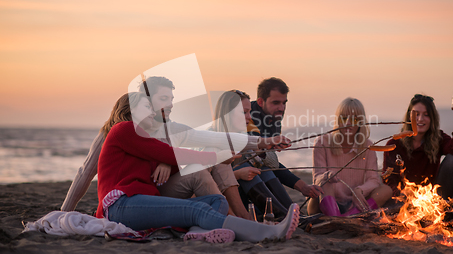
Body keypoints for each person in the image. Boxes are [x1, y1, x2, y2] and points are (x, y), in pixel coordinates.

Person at [62, 76, 287, 220]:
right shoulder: (116, 131)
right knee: (209, 160)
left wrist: (265, 142)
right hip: (137, 198)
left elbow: (216, 138)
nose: (170, 104)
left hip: (162, 190)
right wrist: (63, 213)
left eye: (171, 98)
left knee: (208, 156)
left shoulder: (171, 129)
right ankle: (238, 221)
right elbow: (86, 173)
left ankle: (239, 220)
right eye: (164, 98)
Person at [98, 92, 300, 243]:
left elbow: (175, 159)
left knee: (215, 201)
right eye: (147, 107)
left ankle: (199, 233)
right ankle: (266, 233)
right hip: (120, 204)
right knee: (197, 209)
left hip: (140, 201)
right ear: (131, 110)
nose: (153, 111)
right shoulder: (123, 129)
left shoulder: (145, 137)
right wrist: (216, 157)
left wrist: (167, 162)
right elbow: (174, 154)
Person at [211, 90, 295, 218]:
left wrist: (262, 150)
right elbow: (206, 184)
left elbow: (272, 164)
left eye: (249, 112)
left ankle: (292, 214)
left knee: (264, 170)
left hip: (247, 201)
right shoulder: (212, 139)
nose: (249, 117)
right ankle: (286, 216)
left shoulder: (244, 135)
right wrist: (238, 174)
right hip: (225, 204)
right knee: (244, 170)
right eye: (244, 112)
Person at [308, 98, 392, 216]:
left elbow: (373, 180)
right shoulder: (322, 142)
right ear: (338, 119)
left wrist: (359, 190)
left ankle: (350, 217)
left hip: (354, 203)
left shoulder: (367, 146)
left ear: (360, 122)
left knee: (386, 190)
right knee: (325, 181)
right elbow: (317, 178)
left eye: (354, 119)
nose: (348, 123)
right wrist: (328, 176)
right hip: (324, 203)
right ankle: (336, 219)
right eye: (344, 118)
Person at [383, 93, 453, 200]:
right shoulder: (394, 145)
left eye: (426, 114)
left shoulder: (438, 139)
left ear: (432, 118)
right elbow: (388, 179)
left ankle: (446, 211)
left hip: (431, 201)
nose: (420, 119)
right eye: (416, 114)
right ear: (409, 116)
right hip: (403, 201)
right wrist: (402, 196)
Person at [249, 77, 323, 200]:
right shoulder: (249, 117)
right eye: (276, 103)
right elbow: (269, 163)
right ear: (261, 102)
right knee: (265, 170)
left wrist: (304, 187)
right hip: (237, 173)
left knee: (267, 170)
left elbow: (270, 163)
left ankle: (288, 212)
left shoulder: (274, 120)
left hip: (257, 172)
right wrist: (269, 147)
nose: (282, 108)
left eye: (284, 103)